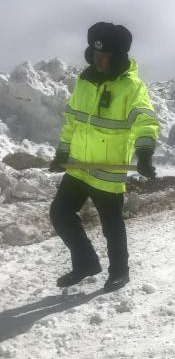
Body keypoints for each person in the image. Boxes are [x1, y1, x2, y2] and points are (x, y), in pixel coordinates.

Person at [48, 22, 160, 292]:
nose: (99, 59)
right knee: (60, 213)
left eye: (105, 55)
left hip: (107, 169)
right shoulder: (84, 81)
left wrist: (143, 153)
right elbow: (73, 119)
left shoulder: (131, 88)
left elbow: (145, 119)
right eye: (95, 53)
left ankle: (120, 272)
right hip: (78, 166)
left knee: (111, 225)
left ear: (118, 57)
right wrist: (63, 151)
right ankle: (85, 263)